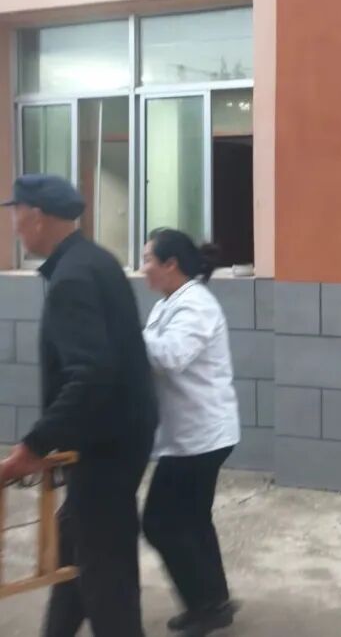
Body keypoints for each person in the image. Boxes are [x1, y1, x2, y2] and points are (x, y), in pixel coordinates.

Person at [0, 174, 158, 637]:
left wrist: (33, 446)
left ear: (36, 216)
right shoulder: (95, 260)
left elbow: (90, 374)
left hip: (104, 447)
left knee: (106, 575)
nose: (14, 225)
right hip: (119, 436)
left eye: (16, 213)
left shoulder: (72, 277)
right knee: (75, 547)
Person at [140, 229, 241, 637]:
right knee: (194, 520)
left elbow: (170, 356)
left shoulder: (196, 304)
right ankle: (214, 601)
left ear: (171, 264)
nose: (143, 268)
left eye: (148, 259)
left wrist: (124, 331)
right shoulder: (168, 303)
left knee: (159, 522)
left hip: (200, 437)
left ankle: (204, 604)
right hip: (191, 435)